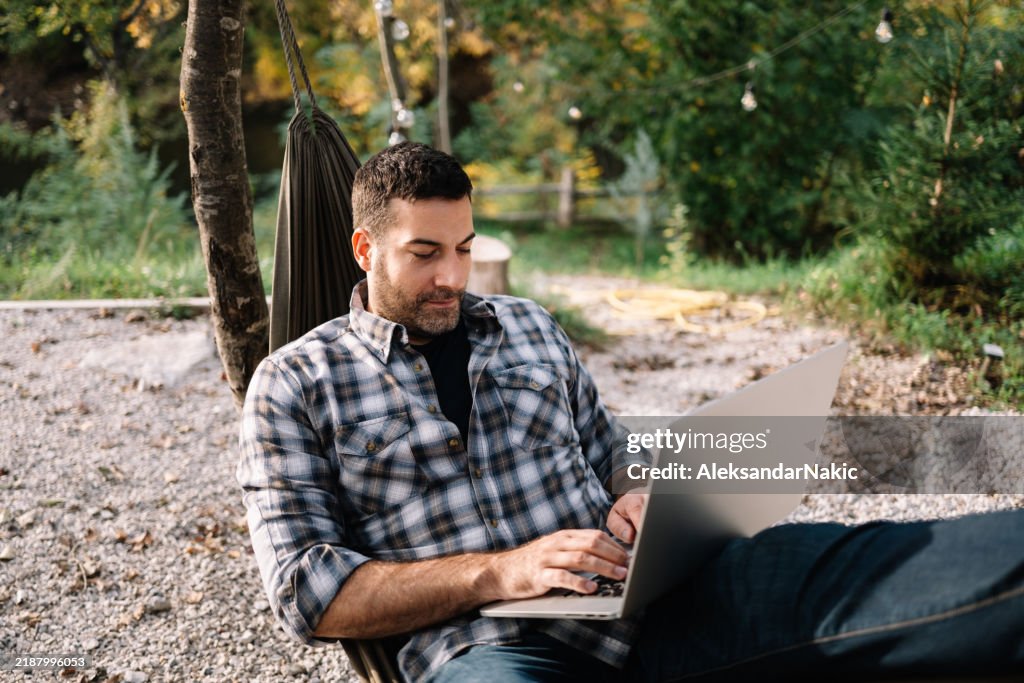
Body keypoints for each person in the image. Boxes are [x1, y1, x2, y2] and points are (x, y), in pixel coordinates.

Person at [238, 142, 1024, 682]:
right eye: (426, 253)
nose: (454, 274)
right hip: (493, 650)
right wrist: (499, 571)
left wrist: (638, 494)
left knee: (927, 569)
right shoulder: (295, 384)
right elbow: (312, 592)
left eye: (466, 247)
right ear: (365, 249)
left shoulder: (531, 327)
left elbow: (610, 447)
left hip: (660, 599)